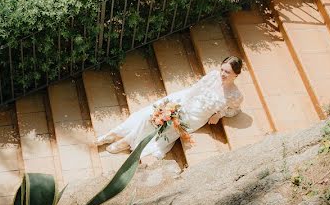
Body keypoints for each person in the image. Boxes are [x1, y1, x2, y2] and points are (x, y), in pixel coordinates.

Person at [96, 56, 244, 164]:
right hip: (186, 100)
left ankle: (128, 142)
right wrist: (180, 104)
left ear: (236, 75)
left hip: (196, 117)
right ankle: (120, 136)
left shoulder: (235, 94)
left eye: (227, 72)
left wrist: (219, 114)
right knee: (153, 114)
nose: (222, 74)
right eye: (222, 69)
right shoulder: (213, 76)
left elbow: (234, 110)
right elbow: (196, 88)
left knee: (167, 127)